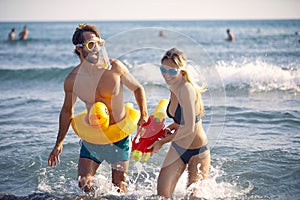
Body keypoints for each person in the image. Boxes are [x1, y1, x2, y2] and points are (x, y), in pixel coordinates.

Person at [47, 24, 148, 193]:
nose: (96, 49)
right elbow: (67, 111)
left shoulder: (115, 68)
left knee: (119, 189)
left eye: (98, 44)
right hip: (93, 137)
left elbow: (138, 88)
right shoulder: (73, 80)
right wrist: (59, 142)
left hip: (119, 136)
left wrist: (143, 115)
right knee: (84, 185)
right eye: (90, 45)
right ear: (79, 49)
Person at [150, 48, 210, 198]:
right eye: (163, 69)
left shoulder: (186, 89)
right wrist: (171, 127)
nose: (166, 74)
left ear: (181, 69)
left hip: (197, 150)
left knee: (192, 198)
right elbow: (181, 121)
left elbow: (190, 128)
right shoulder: (173, 86)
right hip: (178, 147)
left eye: (171, 71)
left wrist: (162, 142)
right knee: (162, 195)